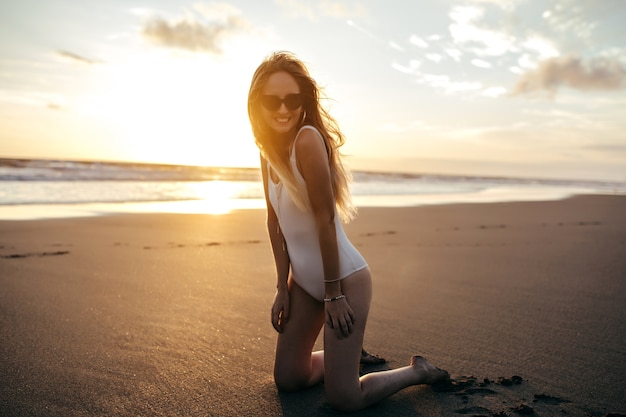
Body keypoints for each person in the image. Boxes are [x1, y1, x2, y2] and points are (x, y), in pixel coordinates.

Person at [247, 51, 448, 412]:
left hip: (343, 282)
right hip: (306, 286)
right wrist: (282, 287)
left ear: (303, 100)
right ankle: (347, 353)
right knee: (289, 379)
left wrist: (334, 295)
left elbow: (325, 220)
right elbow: (273, 223)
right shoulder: (266, 152)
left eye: (292, 99)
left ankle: (416, 371)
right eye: (272, 100)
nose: (282, 108)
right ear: (257, 103)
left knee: (345, 399)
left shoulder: (307, 140)